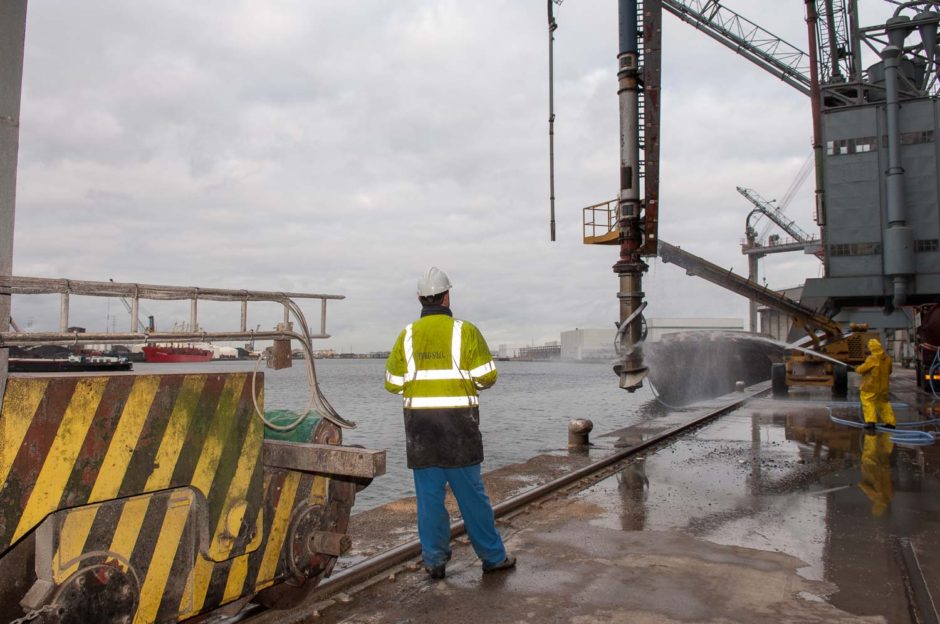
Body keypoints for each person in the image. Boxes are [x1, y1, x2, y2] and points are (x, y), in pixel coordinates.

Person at [384, 267, 516, 580]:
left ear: (420, 298)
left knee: (429, 500)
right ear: (447, 296)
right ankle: (493, 557)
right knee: (472, 497)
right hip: (458, 428)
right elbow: (487, 376)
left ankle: (434, 562)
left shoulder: (407, 335)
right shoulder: (465, 331)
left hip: (420, 430)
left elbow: (392, 382)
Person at [855, 338, 896, 429]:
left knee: (868, 402)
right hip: (883, 387)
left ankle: (871, 422)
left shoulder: (872, 358)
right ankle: (890, 422)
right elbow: (889, 371)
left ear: (872, 348)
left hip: (871, 386)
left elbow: (862, 369)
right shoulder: (887, 359)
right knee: (883, 404)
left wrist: (857, 368)